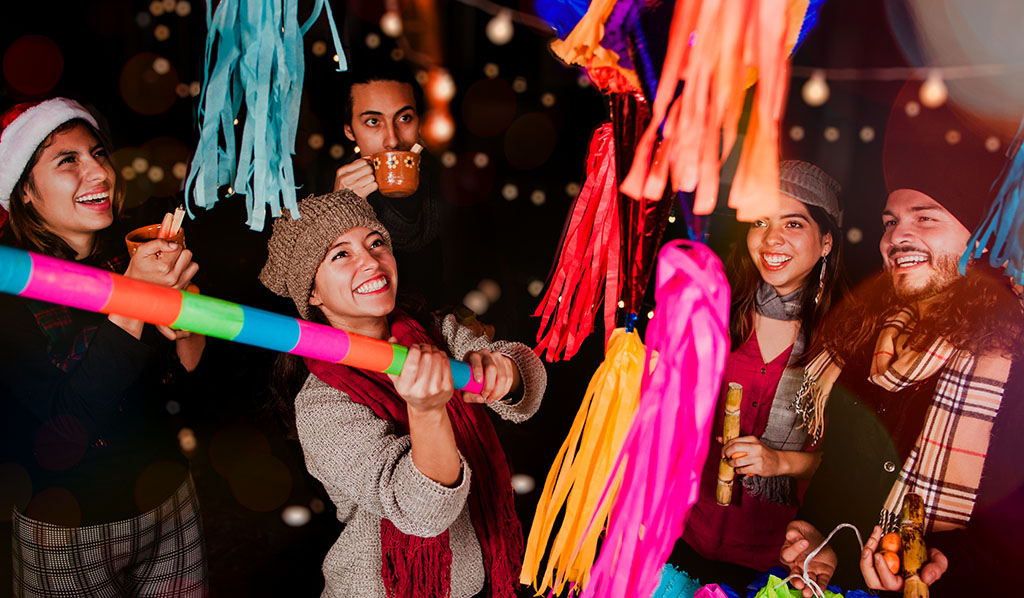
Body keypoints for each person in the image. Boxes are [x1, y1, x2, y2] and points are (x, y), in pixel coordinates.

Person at [780, 90, 1024, 596]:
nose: (896, 238)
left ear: (979, 235)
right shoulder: (865, 336)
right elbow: (842, 473)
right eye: (891, 222)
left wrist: (942, 568)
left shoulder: (1015, 359)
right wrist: (818, 535)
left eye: (925, 217)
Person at [260, 190, 546, 598]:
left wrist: (507, 372)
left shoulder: (434, 332)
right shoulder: (321, 405)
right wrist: (427, 412)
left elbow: (527, 388)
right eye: (340, 254)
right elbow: (424, 514)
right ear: (312, 293)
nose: (371, 261)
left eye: (375, 242)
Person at [0, 98, 207, 594]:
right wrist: (137, 298)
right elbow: (66, 431)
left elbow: (189, 379)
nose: (97, 172)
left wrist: (190, 320)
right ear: (24, 191)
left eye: (97, 154)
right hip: (66, 527)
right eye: (67, 160)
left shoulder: (136, 248)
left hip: (169, 498)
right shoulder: (11, 287)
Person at [670, 161, 845, 587]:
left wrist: (779, 460)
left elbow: (849, 464)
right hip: (683, 534)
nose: (771, 239)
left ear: (825, 241)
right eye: (761, 221)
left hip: (778, 559)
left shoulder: (845, 339)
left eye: (793, 223)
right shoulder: (714, 311)